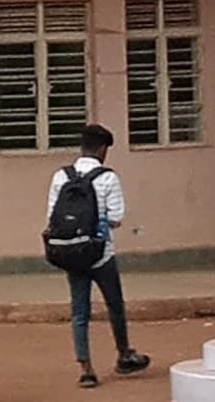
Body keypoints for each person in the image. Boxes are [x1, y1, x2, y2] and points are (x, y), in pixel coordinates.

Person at [45, 124, 152, 388]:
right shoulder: (107, 178)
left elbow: (52, 216)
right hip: (101, 254)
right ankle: (124, 354)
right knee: (115, 305)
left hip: (71, 252)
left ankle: (86, 369)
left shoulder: (61, 176)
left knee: (79, 311)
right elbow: (116, 217)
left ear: (82, 147)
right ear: (103, 150)